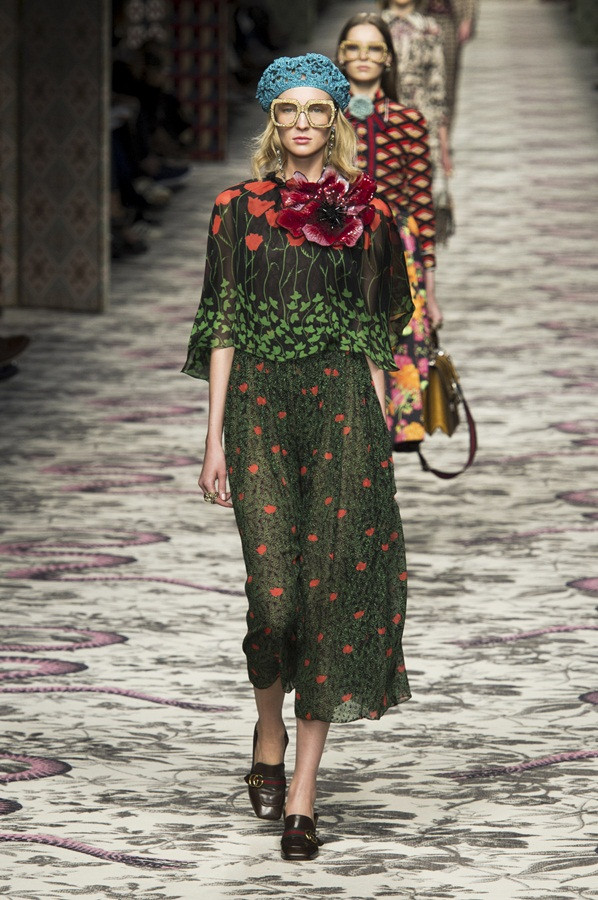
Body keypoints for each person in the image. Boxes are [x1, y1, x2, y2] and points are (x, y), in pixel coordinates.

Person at [182, 53, 414, 860]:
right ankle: (267, 730)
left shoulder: (368, 214)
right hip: (259, 410)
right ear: (273, 119)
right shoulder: (235, 208)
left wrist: (381, 431)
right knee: (273, 601)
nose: (303, 124)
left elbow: (378, 332)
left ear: (337, 119)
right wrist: (212, 438)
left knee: (327, 599)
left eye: (318, 110)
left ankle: (304, 794)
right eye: (289, 110)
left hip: (343, 406)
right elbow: (222, 323)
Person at [338, 12, 442, 450]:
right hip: (336, 247)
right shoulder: (323, 119)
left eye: (373, 48)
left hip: (398, 249)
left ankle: (388, 442)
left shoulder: (408, 120)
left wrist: (431, 292)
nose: (363, 56)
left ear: (389, 58)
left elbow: (421, 205)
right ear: (340, 55)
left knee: (396, 344)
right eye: (354, 47)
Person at [378, 0, 451, 178]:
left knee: (421, 180)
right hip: (382, 115)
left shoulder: (429, 29)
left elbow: (437, 88)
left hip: (422, 115)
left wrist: (444, 146)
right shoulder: (374, 28)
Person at [420, 0, 478, 131]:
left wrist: (467, 18)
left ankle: (445, 132)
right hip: (421, 17)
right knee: (417, 78)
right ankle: (422, 129)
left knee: (448, 82)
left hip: (449, 21)